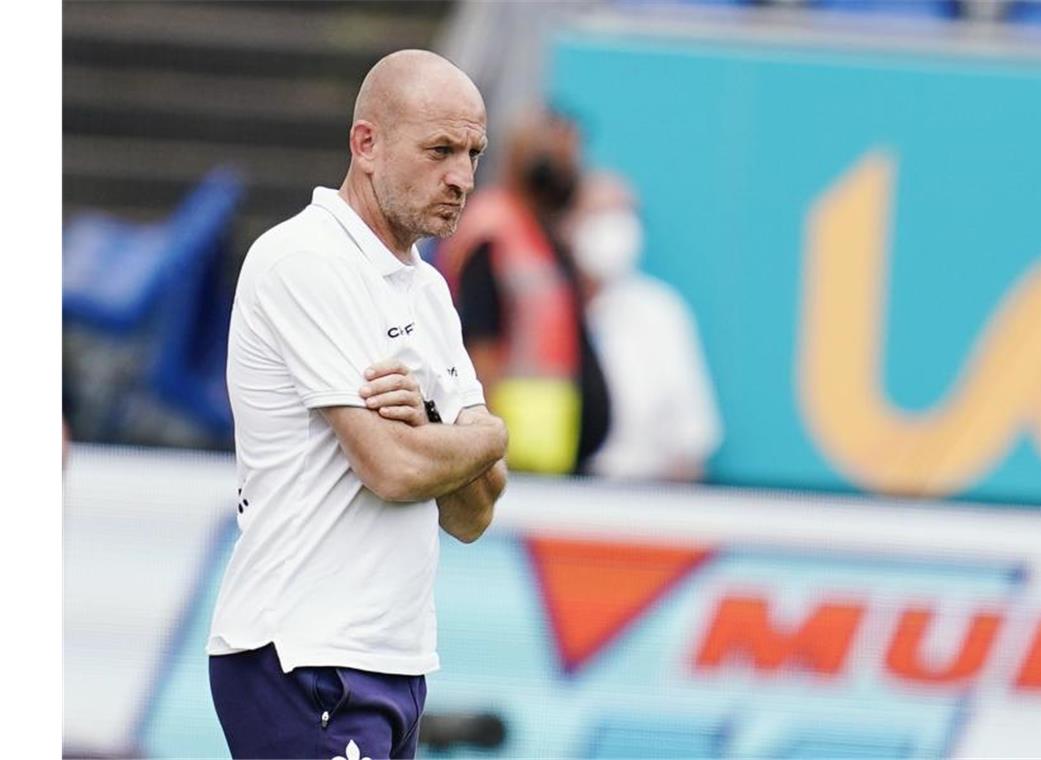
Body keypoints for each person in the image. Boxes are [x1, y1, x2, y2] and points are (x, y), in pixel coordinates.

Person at [207, 50, 508, 760]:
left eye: (472, 153)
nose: (462, 177)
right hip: (302, 653)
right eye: (439, 150)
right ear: (366, 145)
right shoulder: (303, 260)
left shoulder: (427, 291)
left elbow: (475, 512)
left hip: (394, 658)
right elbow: (395, 470)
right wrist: (484, 434)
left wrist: (435, 427)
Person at [434, 107, 610, 475]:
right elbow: (482, 339)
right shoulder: (494, 233)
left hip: (548, 446)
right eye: (564, 156)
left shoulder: (541, 234)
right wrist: (484, 444)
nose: (574, 169)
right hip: (513, 451)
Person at [567, 170, 722, 482]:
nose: (613, 228)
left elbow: (692, 441)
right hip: (557, 502)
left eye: (624, 214)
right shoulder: (546, 307)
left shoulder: (661, 313)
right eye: (598, 213)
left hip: (643, 501)